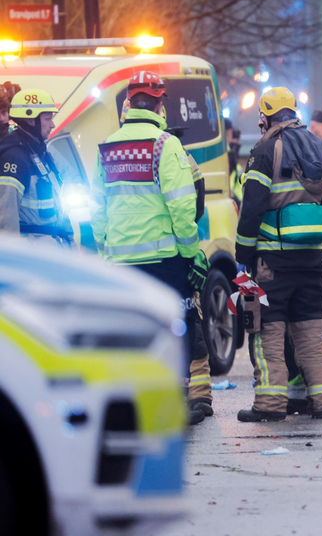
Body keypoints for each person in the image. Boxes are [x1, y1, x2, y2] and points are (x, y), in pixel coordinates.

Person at [90, 71, 212, 426]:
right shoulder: (165, 144)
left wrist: (105, 248)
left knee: (132, 330)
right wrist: (192, 254)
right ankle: (174, 400)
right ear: (160, 104)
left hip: (121, 261)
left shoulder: (108, 146)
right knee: (180, 325)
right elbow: (181, 206)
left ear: (128, 104)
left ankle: (136, 402)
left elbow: (98, 208)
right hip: (165, 260)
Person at [235, 86, 322, 422]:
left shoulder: (265, 150)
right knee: (310, 333)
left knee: (268, 335)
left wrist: (243, 254)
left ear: (265, 117)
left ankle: (269, 405)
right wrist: (321, 245)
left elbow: (251, 208)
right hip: (311, 259)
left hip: (272, 262)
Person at [0, 88, 74, 246]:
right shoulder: (14, 158)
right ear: (30, 120)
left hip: (53, 248)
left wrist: (71, 243)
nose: (52, 125)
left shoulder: (40, 152)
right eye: (47, 119)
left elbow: (58, 205)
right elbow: (7, 220)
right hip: (33, 254)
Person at [226, 120, 244, 204]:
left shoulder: (230, 155)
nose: (238, 143)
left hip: (236, 199)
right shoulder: (227, 155)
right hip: (232, 199)